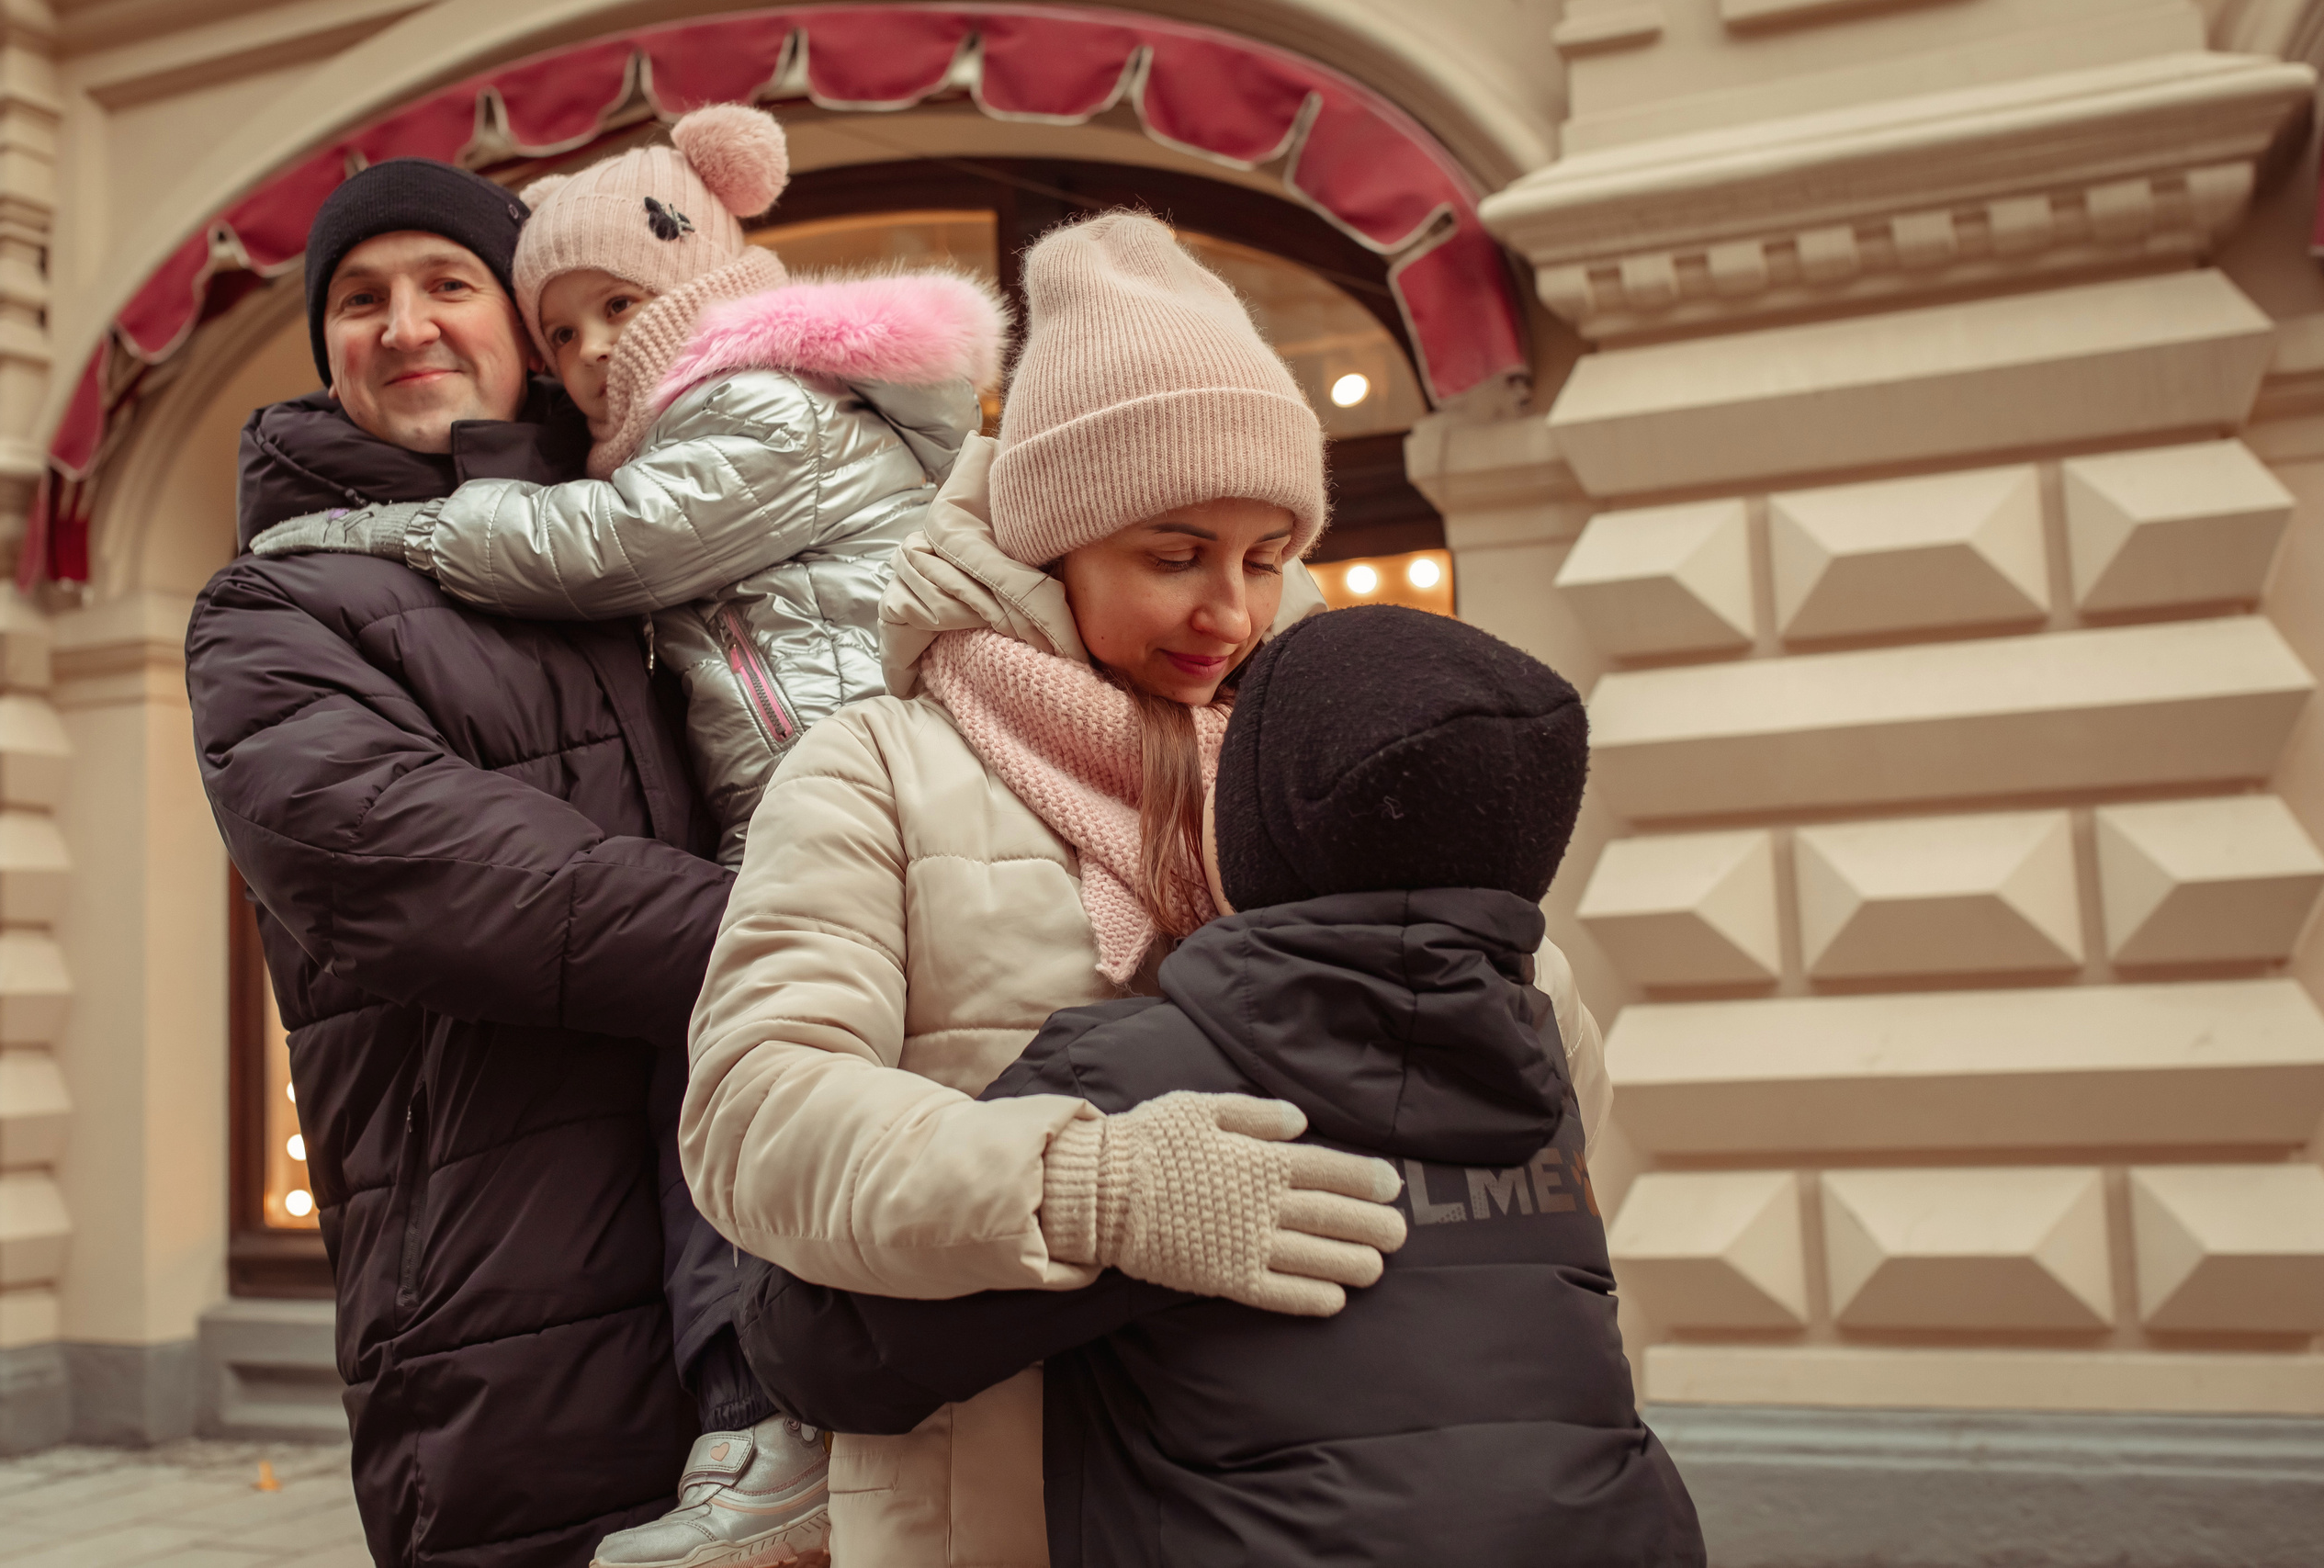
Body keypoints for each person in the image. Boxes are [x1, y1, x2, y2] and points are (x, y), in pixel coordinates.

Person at [678, 213, 1610, 1568]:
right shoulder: (879, 764)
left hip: (1310, 1488)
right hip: (1003, 1494)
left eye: (1266, 553)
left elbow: (1541, 1100)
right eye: (1175, 553)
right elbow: (754, 1115)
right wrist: (1083, 1182)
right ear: (1058, 535)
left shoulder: (1330, 766)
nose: (1229, 609)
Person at [735, 604, 1704, 1568]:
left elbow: (822, 1356)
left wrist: (1082, 1195)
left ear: (1253, 826)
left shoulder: (1140, 1078)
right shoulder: (1539, 1067)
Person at [186, 158, 817, 1568]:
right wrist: (823, 934)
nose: (402, 322)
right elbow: (421, 870)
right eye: (359, 299)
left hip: (769, 1237)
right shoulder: (280, 600)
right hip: (498, 1295)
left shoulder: (640, 553)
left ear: (528, 333)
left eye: (446, 283)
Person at [251, 105, 1003, 865]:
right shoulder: (264, 602)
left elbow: (611, 541)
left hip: (873, 790)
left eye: (618, 305)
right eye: (564, 333)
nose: (596, 350)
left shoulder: (771, 403)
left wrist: (390, 529)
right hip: (819, 792)